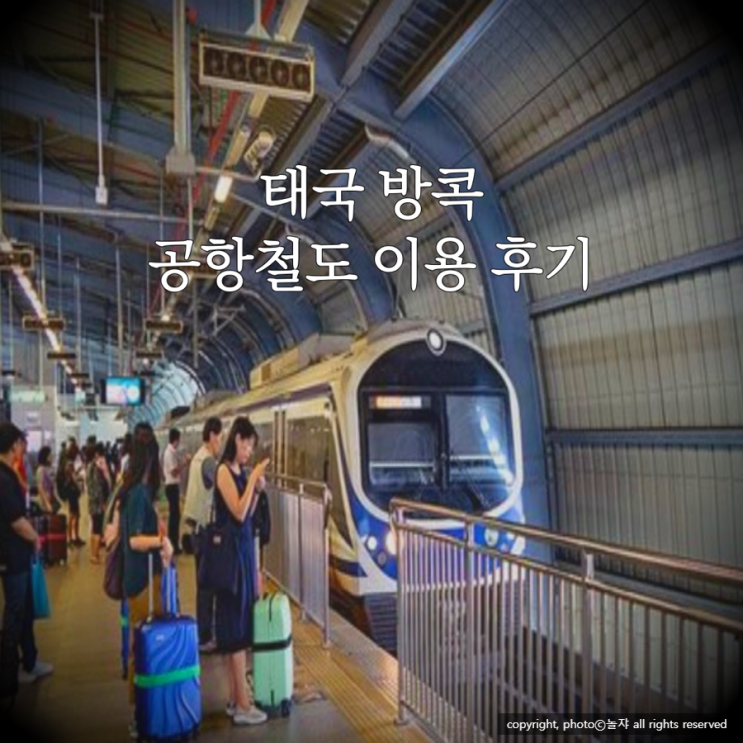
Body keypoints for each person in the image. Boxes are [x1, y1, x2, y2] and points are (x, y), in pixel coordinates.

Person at [213, 417, 270, 726]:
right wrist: (253, 479)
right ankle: (244, 706)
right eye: (247, 445)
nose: (249, 452)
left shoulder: (239, 472)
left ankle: (236, 700)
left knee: (241, 626)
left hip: (243, 555)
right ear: (237, 440)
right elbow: (236, 511)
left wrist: (257, 490)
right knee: (235, 631)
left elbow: (247, 513)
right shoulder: (224, 471)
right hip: (231, 560)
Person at [119, 423, 173, 739]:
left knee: (139, 646)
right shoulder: (139, 494)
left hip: (138, 578)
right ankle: (141, 716)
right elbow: (135, 540)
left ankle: (142, 712)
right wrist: (161, 542)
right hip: (141, 581)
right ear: (150, 459)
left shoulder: (133, 491)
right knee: (142, 648)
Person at [0, 422, 53, 687]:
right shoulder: (3, 478)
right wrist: (35, 538)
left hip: (18, 555)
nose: (24, 448)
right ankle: (10, 672)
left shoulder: (9, 473)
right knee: (15, 612)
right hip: (11, 556)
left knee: (24, 610)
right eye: (22, 443)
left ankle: (29, 660)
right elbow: (15, 520)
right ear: (13, 445)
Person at [182, 416, 223, 652]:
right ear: (213, 436)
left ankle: (205, 633)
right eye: (220, 437)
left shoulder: (198, 458)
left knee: (203, 583)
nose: (221, 442)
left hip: (196, 530)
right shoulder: (208, 462)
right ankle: (206, 637)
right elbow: (223, 485)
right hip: (205, 532)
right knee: (207, 586)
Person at [87, 443, 111, 565]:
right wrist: (103, 503)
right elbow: (98, 488)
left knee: (94, 529)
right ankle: (95, 555)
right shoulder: (95, 468)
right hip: (97, 504)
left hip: (92, 502)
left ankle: (93, 553)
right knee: (97, 529)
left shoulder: (89, 466)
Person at [162, 428, 185, 556]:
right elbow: (173, 472)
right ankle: (173, 544)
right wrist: (185, 464)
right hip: (171, 486)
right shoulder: (169, 453)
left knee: (175, 515)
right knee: (174, 516)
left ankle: (174, 543)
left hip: (172, 486)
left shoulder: (170, 452)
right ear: (176, 440)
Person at [57, 460, 83, 548]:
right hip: (72, 499)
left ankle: (75, 537)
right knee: (72, 517)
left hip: (74, 498)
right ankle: (70, 538)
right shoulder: (68, 479)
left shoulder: (71, 477)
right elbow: (69, 488)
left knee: (76, 517)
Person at [34, 446, 58, 514]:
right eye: (50, 455)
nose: (52, 457)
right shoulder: (41, 470)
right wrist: (47, 504)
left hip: (51, 501)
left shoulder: (49, 469)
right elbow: (40, 487)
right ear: (45, 457)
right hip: (44, 504)